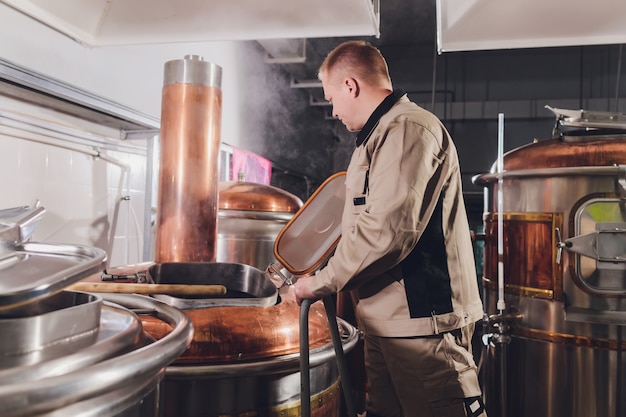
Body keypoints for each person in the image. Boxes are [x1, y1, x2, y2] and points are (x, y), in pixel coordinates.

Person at [292, 40, 487, 417]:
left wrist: (318, 283)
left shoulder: (407, 130)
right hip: (386, 327)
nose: (332, 111)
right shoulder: (374, 141)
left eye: (332, 98)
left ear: (351, 86)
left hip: (422, 330)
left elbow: (386, 232)